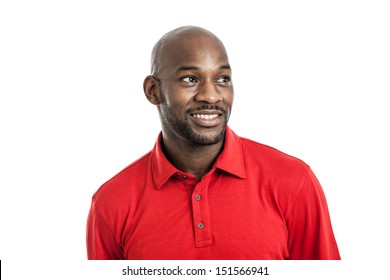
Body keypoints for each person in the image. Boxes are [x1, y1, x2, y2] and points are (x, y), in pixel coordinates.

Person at [86, 26, 340, 260]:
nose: (211, 95)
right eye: (190, 79)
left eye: (222, 79)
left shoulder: (293, 181)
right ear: (153, 90)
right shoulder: (111, 204)